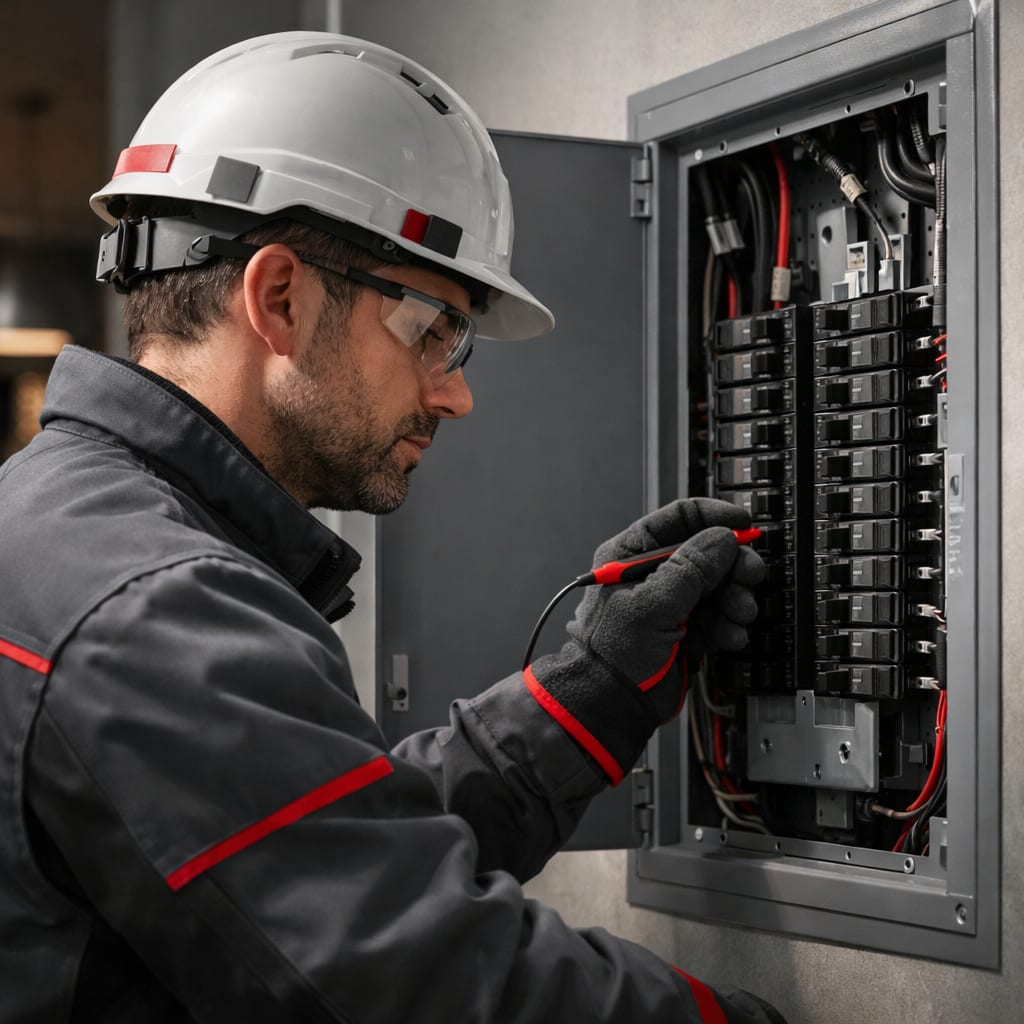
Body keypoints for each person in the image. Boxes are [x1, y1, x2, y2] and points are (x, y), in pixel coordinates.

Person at [0, 32, 787, 1023]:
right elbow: (424, 978)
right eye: (431, 331)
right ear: (279, 298)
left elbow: (316, 848)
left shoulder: (61, 535)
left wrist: (588, 694)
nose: (453, 393)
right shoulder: (151, 608)